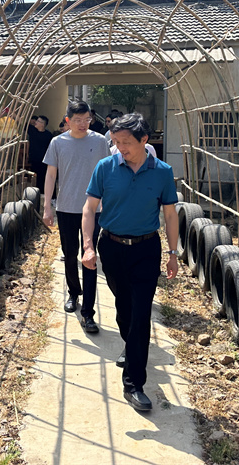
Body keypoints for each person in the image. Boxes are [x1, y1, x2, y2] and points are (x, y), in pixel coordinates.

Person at [81, 112, 179, 412]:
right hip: (111, 247)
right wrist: (87, 246)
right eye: (116, 141)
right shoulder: (105, 168)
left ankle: (134, 383)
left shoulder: (162, 172)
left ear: (144, 140)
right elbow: (89, 208)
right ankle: (130, 343)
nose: (120, 147)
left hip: (146, 249)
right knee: (124, 308)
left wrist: (173, 254)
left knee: (140, 314)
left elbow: (171, 214)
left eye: (126, 142)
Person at [43, 100, 110, 333]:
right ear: (68, 121)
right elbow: (51, 175)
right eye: (78, 120)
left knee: (89, 257)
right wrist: (47, 207)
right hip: (67, 207)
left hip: (94, 209)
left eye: (87, 119)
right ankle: (73, 292)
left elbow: (107, 173)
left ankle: (88, 313)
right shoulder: (57, 143)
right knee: (70, 255)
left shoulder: (100, 142)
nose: (84, 124)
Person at [27, 115, 53, 194]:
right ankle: (35, 193)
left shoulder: (49, 135)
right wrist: (11, 113)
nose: (36, 122)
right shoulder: (32, 130)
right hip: (34, 159)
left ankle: (45, 193)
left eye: (38, 121)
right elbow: (22, 122)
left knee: (44, 177)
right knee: (35, 177)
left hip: (45, 160)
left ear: (43, 124)